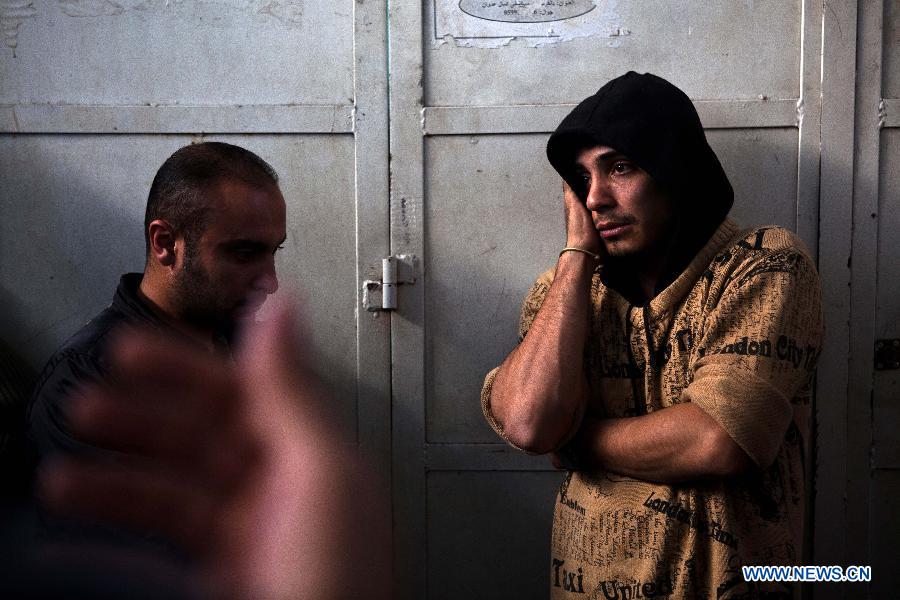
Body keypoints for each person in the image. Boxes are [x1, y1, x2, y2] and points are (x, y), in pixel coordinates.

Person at [480, 72, 823, 598]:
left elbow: (716, 440)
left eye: (619, 167)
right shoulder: (564, 294)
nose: (595, 198)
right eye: (580, 178)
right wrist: (576, 258)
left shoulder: (765, 264)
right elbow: (529, 424)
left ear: (674, 171)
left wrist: (576, 442)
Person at [27, 141, 287, 461]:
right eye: (244, 253)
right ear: (165, 243)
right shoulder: (86, 382)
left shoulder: (255, 351)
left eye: (274, 251)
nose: (271, 283)